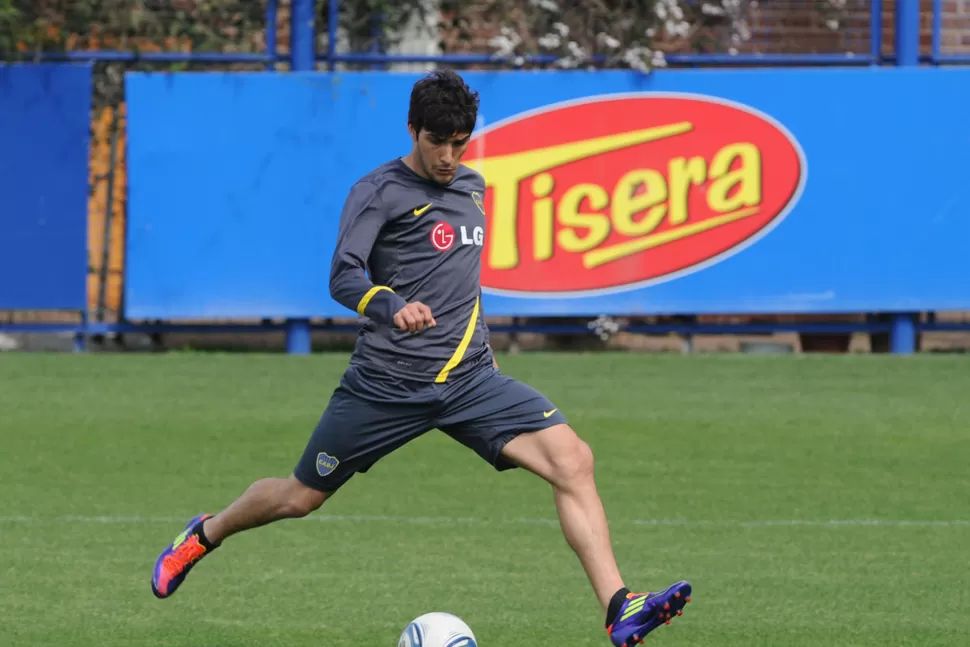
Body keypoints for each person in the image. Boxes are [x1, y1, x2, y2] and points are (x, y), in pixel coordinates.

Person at [149, 68, 691, 647]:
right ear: (413, 129)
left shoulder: (474, 189)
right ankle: (204, 535)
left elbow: (464, 283)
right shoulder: (378, 191)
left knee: (573, 460)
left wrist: (481, 351)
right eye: (438, 141)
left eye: (460, 142)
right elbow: (342, 275)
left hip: (469, 382)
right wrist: (391, 306)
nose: (449, 155)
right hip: (385, 385)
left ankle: (619, 606)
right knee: (298, 497)